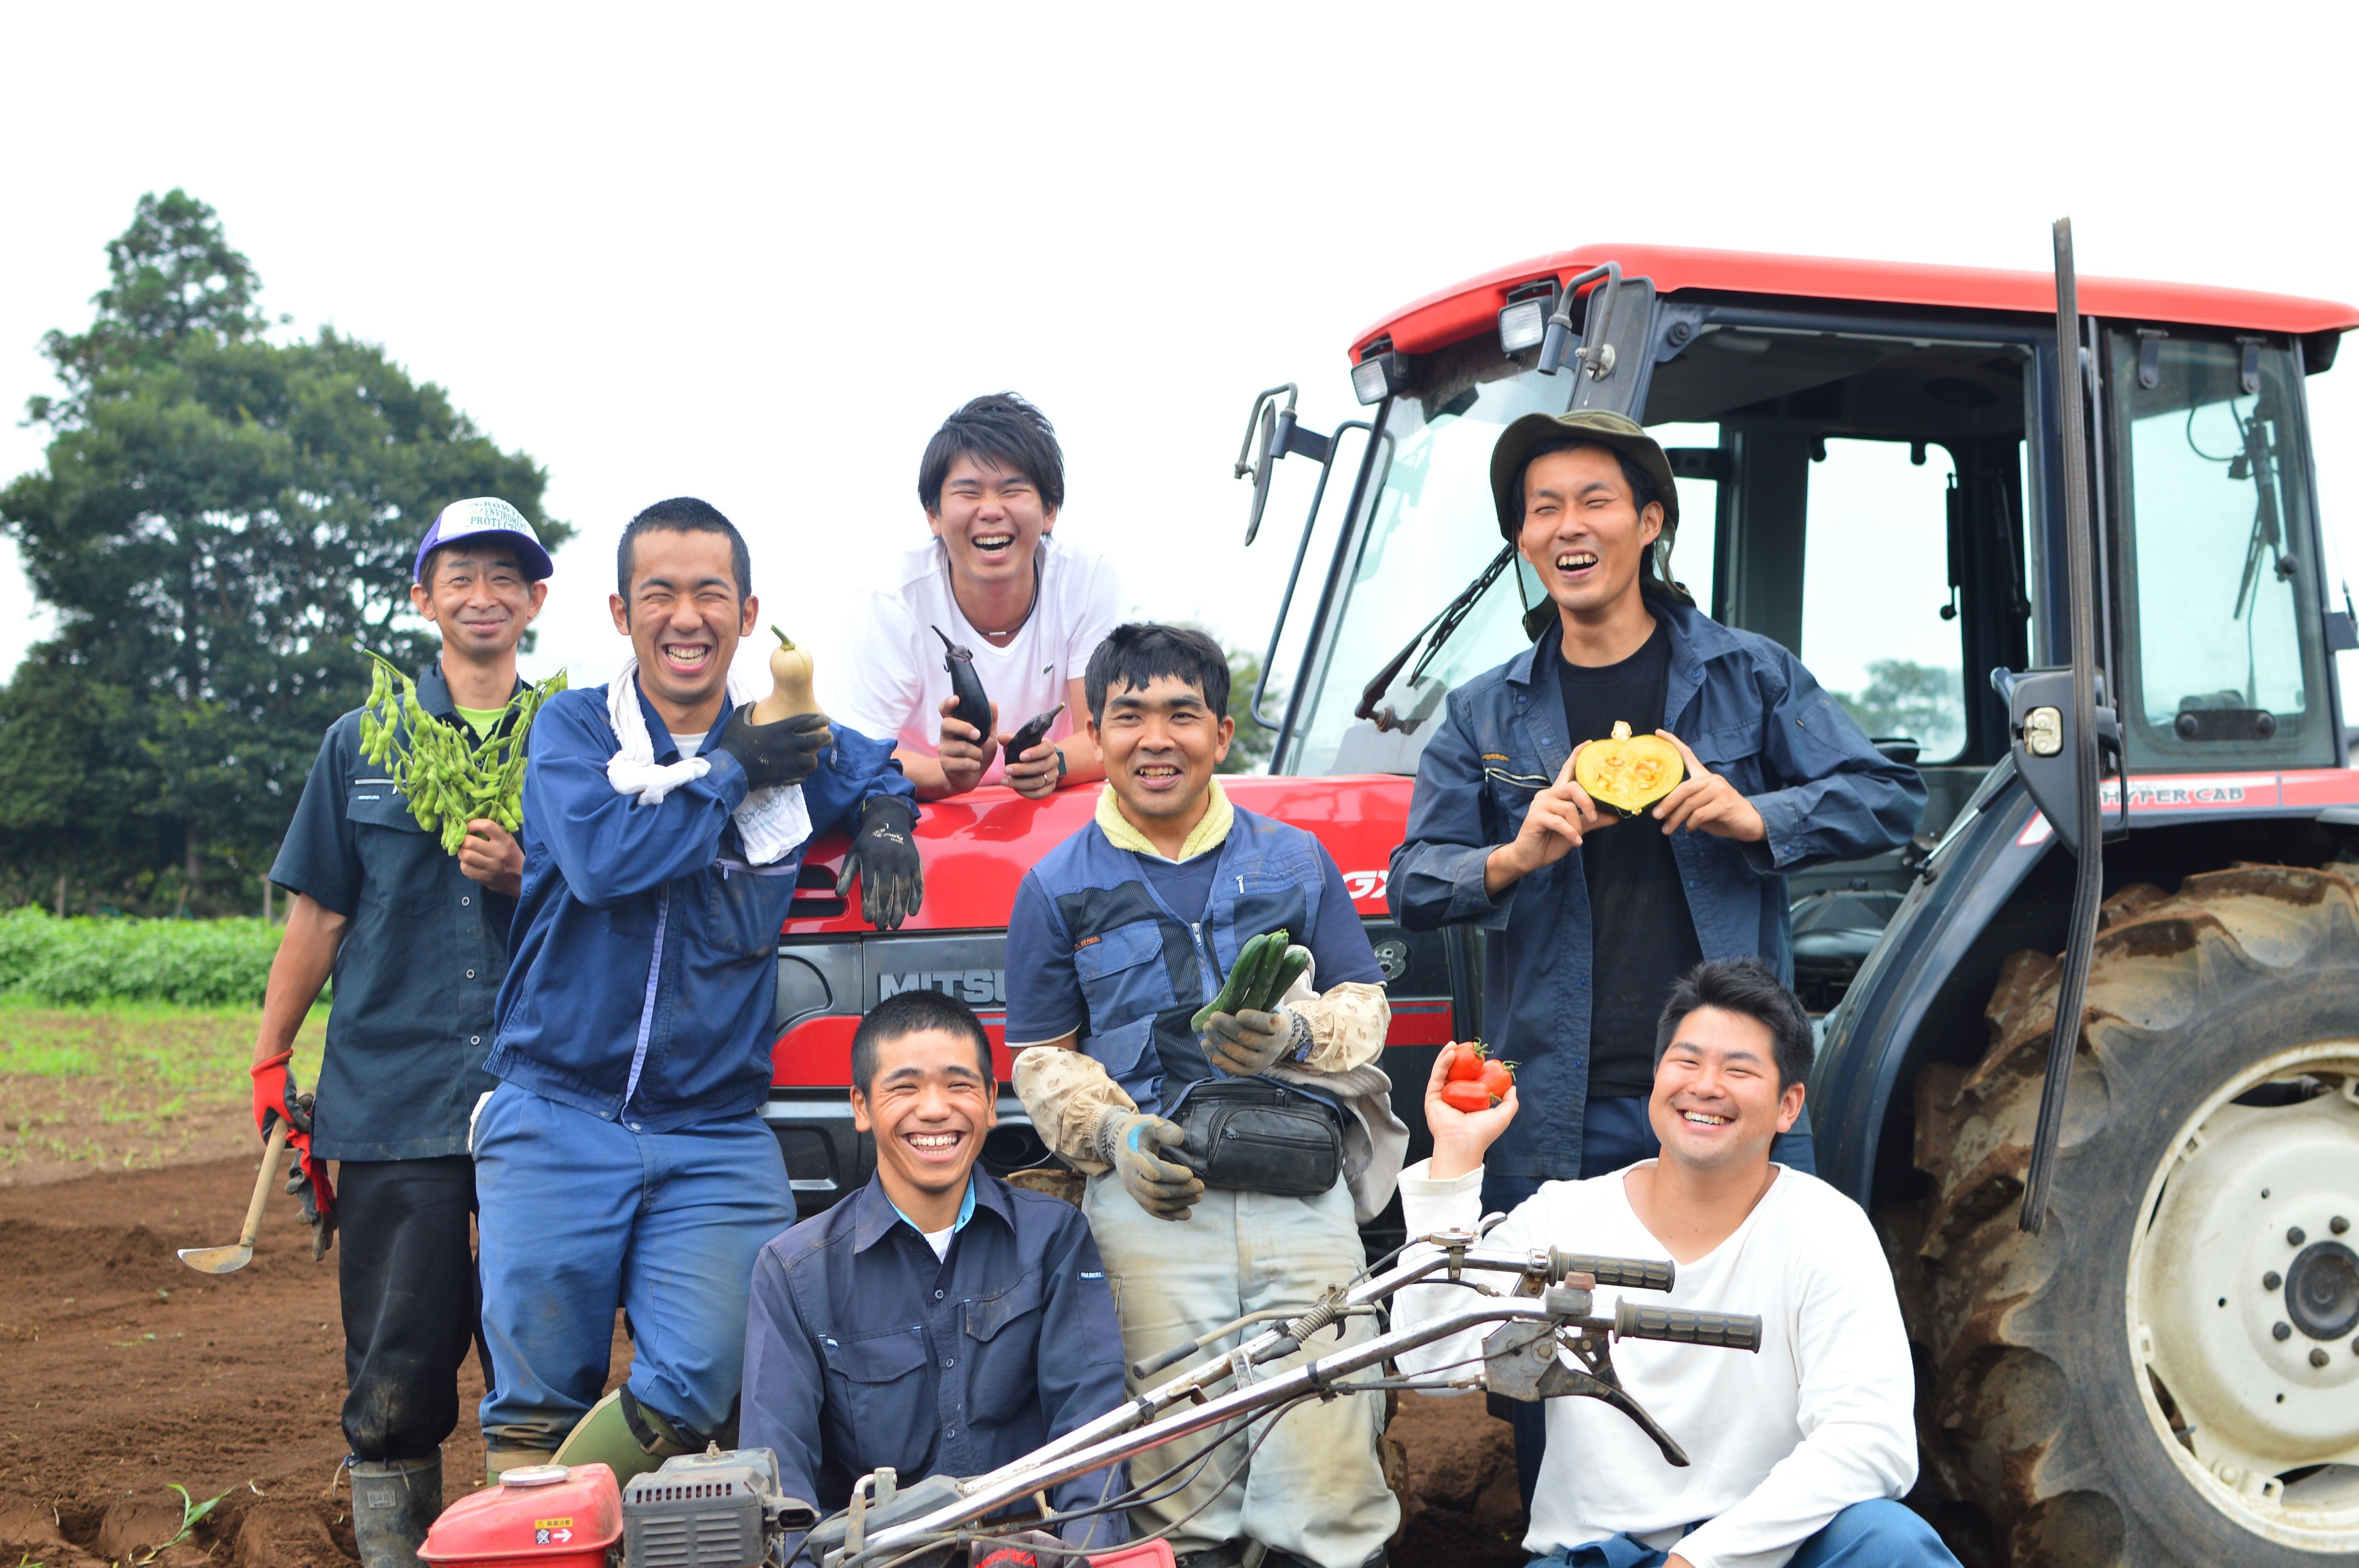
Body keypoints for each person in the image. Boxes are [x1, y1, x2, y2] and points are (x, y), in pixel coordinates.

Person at [1386, 409, 1924, 1501]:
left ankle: (1760, 1538)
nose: (1567, 525)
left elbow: (1886, 796)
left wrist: (1753, 812)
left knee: (1765, 1355)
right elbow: (1412, 879)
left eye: (1594, 500)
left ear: (1650, 521)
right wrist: (1513, 854)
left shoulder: (1749, 677)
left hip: (1731, 1095)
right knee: (1552, 1376)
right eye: (1542, 508)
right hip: (1559, 1106)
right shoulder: (1485, 711)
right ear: (1523, 539)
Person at [471, 496, 923, 1485]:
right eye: (660, 594)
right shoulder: (573, 730)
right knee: (536, 1398)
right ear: (620, 612)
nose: (687, 616)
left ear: (748, 614)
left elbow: (875, 765)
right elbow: (604, 862)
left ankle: (595, 1509)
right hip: (557, 1106)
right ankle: (531, 1534)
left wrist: (887, 820)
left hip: (712, 1131)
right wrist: (729, 771)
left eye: (711, 594)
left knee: (709, 1377)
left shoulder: (786, 739)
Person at [1004, 623, 1403, 1568]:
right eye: (1129, 715)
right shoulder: (1055, 887)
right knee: (1176, 1483)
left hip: (1300, 1187)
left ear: (1222, 734)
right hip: (1150, 1201)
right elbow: (1041, 1061)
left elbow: (1365, 1004)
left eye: (1181, 714)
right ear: (1095, 735)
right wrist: (1117, 1133)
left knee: (1330, 1469)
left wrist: (1295, 1034)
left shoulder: (1296, 857)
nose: (1156, 738)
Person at [1391, 958, 1961, 1568]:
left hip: (1769, 1551)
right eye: (1686, 1062)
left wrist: (1701, 1559)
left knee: (1891, 1544)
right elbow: (1433, 1361)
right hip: (1600, 1556)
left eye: (1739, 1070)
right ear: (1658, 1076)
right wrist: (1454, 1158)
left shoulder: (1826, 1229)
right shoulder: (1565, 1216)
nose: (1706, 1086)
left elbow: (1871, 1440)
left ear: (1789, 1105)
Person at [252, 496, 554, 1566]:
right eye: (460, 577)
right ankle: (397, 1548)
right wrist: (271, 1055)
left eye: (505, 577)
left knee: (541, 1354)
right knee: (395, 1358)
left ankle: (532, 1543)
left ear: (536, 600)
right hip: (392, 1093)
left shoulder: (570, 738)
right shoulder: (361, 742)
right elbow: (319, 914)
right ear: (423, 598)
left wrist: (527, 872)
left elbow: (615, 901)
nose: (484, 596)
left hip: (542, 1091)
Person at [741, 989, 1130, 1549]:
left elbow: (1091, 1437)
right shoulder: (793, 1273)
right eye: (904, 1088)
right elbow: (780, 1491)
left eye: (959, 1086)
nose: (934, 1109)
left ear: (991, 1101)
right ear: (861, 1107)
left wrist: (1087, 1558)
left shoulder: (1054, 1240)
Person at [831, 392, 1122, 800]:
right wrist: (947, 774)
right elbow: (851, 758)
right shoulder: (888, 601)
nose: (990, 510)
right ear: (933, 514)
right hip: (919, 816)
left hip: (1050, 811)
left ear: (1049, 509)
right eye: (968, 493)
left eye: (1012, 490)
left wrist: (1053, 761)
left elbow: (1108, 735)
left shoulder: (1086, 578)